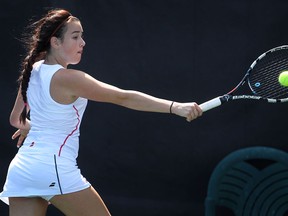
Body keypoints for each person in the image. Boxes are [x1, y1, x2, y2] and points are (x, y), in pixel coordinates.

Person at [0, 8, 203, 216]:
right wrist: (175, 107)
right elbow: (123, 97)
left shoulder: (32, 70)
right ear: (55, 42)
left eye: (82, 36)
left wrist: (32, 129)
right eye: (75, 36)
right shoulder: (71, 79)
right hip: (52, 167)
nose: (83, 43)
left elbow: (16, 119)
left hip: (22, 170)